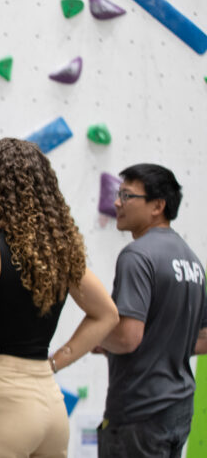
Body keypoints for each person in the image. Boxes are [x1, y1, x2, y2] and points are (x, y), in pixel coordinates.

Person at [0, 138, 118, 458]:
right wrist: (54, 363)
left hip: (1, 403)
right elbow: (107, 314)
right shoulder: (60, 253)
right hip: (50, 404)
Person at [95, 163, 207, 457]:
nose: (117, 202)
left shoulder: (137, 255)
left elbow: (128, 338)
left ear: (158, 205)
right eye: (119, 194)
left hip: (139, 411)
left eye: (128, 196)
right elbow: (203, 339)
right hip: (178, 410)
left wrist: (97, 337)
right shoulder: (192, 261)